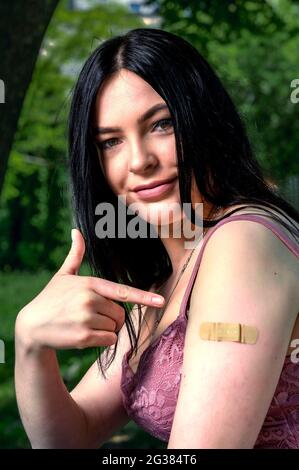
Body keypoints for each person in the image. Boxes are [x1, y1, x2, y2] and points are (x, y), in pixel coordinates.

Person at [14, 28, 299, 449]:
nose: (140, 161)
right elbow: (70, 437)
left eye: (162, 125)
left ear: (203, 121)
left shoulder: (242, 242)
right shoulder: (164, 285)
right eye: (111, 142)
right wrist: (30, 344)